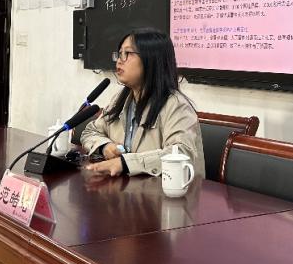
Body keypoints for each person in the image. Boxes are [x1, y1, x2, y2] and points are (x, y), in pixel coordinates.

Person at [81, 29, 204, 178]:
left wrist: (125, 164)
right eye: (119, 54)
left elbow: (181, 154)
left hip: (164, 190)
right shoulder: (121, 98)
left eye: (127, 53)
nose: (119, 60)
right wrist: (105, 146)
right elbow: (90, 132)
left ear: (151, 59)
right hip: (128, 188)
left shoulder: (176, 105)